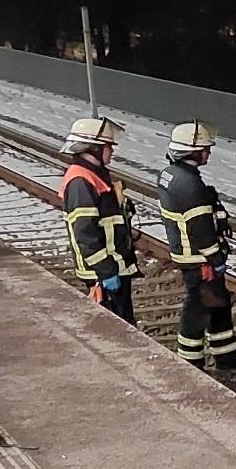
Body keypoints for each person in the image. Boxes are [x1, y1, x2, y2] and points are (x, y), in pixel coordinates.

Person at [157, 121, 236, 371]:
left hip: (190, 254)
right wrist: (215, 258)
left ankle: (226, 355)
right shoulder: (190, 185)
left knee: (218, 303)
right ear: (192, 151)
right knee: (199, 306)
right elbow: (200, 229)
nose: (209, 152)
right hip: (199, 260)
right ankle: (190, 361)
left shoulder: (172, 175)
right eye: (205, 148)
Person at [58, 117, 140, 324]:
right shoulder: (81, 181)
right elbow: (85, 235)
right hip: (104, 273)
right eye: (108, 146)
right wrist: (106, 271)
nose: (111, 151)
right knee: (118, 329)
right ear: (93, 148)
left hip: (113, 269)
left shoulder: (94, 175)